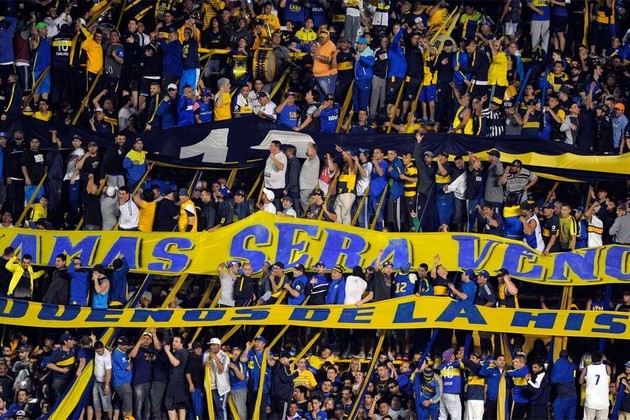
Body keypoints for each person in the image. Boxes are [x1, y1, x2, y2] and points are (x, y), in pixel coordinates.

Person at [580, 350, 611, 420]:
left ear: (592, 359)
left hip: (590, 402)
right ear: (601, 359)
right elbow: (609, 380)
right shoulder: (607, 368)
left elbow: (580, 382)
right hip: (603, 402)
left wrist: (587, 379)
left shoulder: (586, 369)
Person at [164, 335, 189, 420]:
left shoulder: (179, 352)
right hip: (182, 381)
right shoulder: (186, 352)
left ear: (181, 343)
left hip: (175, 380)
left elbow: (175, 363)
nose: (173, 343)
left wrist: (168, 352)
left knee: (170, 404)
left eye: (176, 341)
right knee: (181, 405)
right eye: (173, 341)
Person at [206, 337, 230, 420]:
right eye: (211, 345)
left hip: (221, 387)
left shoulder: (224, 356)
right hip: (211, 386)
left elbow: (222, 369)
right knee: (213, 409)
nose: (212, 347)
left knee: (221, 408)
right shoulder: (207, 354)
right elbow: (204, 366)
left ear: (219, 346)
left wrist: (216, 358)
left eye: (214, 345)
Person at [111, 336, 133, 420]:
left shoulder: (120, 351)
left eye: (125, 345)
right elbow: (128, 367)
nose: (125, 347)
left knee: (117, 406)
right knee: (127, 409)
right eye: (122, 345)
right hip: (123, 384)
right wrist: (131, 362)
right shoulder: (118, 354)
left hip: (118, 383)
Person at [93, 340, 113, 420]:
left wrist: (106, 386)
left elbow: (109, 371)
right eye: (98, 351)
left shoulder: (107, 356)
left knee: (107, 406)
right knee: (96, 405)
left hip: (104, 383)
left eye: (102, 350)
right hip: (96, 381)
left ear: (104, 347)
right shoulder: (95, 352)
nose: (100, 352)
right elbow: (94, 340)